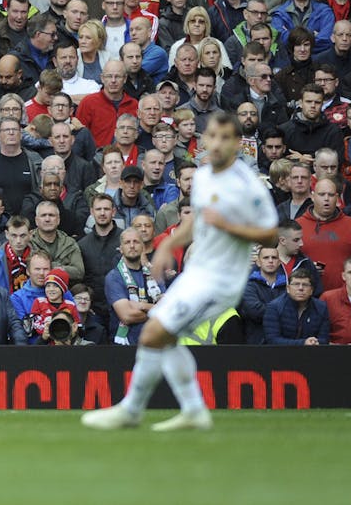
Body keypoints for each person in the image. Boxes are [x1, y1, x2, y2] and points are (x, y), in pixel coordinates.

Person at [83, 112, 278, 432]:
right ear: (204, 139)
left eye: (225, 138)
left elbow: (270, 234)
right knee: (159, 335)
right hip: (197, 274)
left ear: (236, 144)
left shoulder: (247, 185)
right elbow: (196, 220)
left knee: (156, 333)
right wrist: (164, 246)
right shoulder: (202, 176)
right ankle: (192, 410)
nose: (216, 143)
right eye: (212, 136)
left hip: (222, 281)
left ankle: (134, 410)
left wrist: (228, 225)